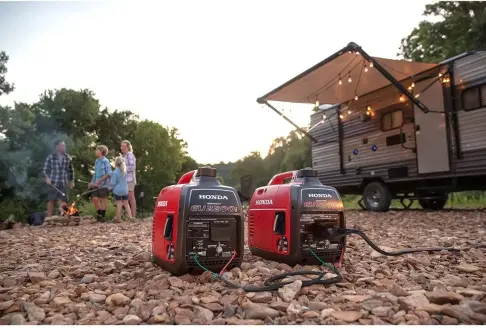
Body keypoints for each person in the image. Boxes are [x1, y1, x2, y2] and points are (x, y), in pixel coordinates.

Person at [43, 140, 75, 217]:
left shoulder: (67, 157)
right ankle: (49, 218)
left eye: (64, 146)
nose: (64, 147)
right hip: (53, 182)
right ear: (57, 147)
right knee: (51, 200)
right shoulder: (51, 157)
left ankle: (62, 217)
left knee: (63, 199)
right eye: (62, 145)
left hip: (63, 182)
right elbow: (45, 169)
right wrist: (47, 178)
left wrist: (71, 181)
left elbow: (71, 170)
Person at [89, 145, 112, 220]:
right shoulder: (96, 161)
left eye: (97, 150)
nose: (95, 151)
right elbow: (95, 173)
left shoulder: (106, 161)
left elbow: (109, 173)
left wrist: (99, 181)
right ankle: (99, 214)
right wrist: (91, 182)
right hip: (96, 184)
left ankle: (102, 217)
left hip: (103, 185)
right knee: (94, 198)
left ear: (101, 151)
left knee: (102, 200)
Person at [109, 156, 132, 223]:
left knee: (119, 204)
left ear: (116, 164)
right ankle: (130, 218)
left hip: (118, 191)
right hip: (125, 190)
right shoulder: (125, 172)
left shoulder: (115, 172)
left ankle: (118, 219)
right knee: (126, 204)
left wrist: (110, 187)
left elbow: (113, 183)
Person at [120, 140, 137, 218]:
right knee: (123, 197)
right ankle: (126, 215)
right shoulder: (122, 156)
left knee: (131, 196)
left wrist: (123, 170)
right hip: (123, 179)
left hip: (129, 179)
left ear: (128, 147)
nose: (122, 148)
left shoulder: (130, 155)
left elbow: (132, 167)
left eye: (124, 146)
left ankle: (133, 216)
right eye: (121, 146)